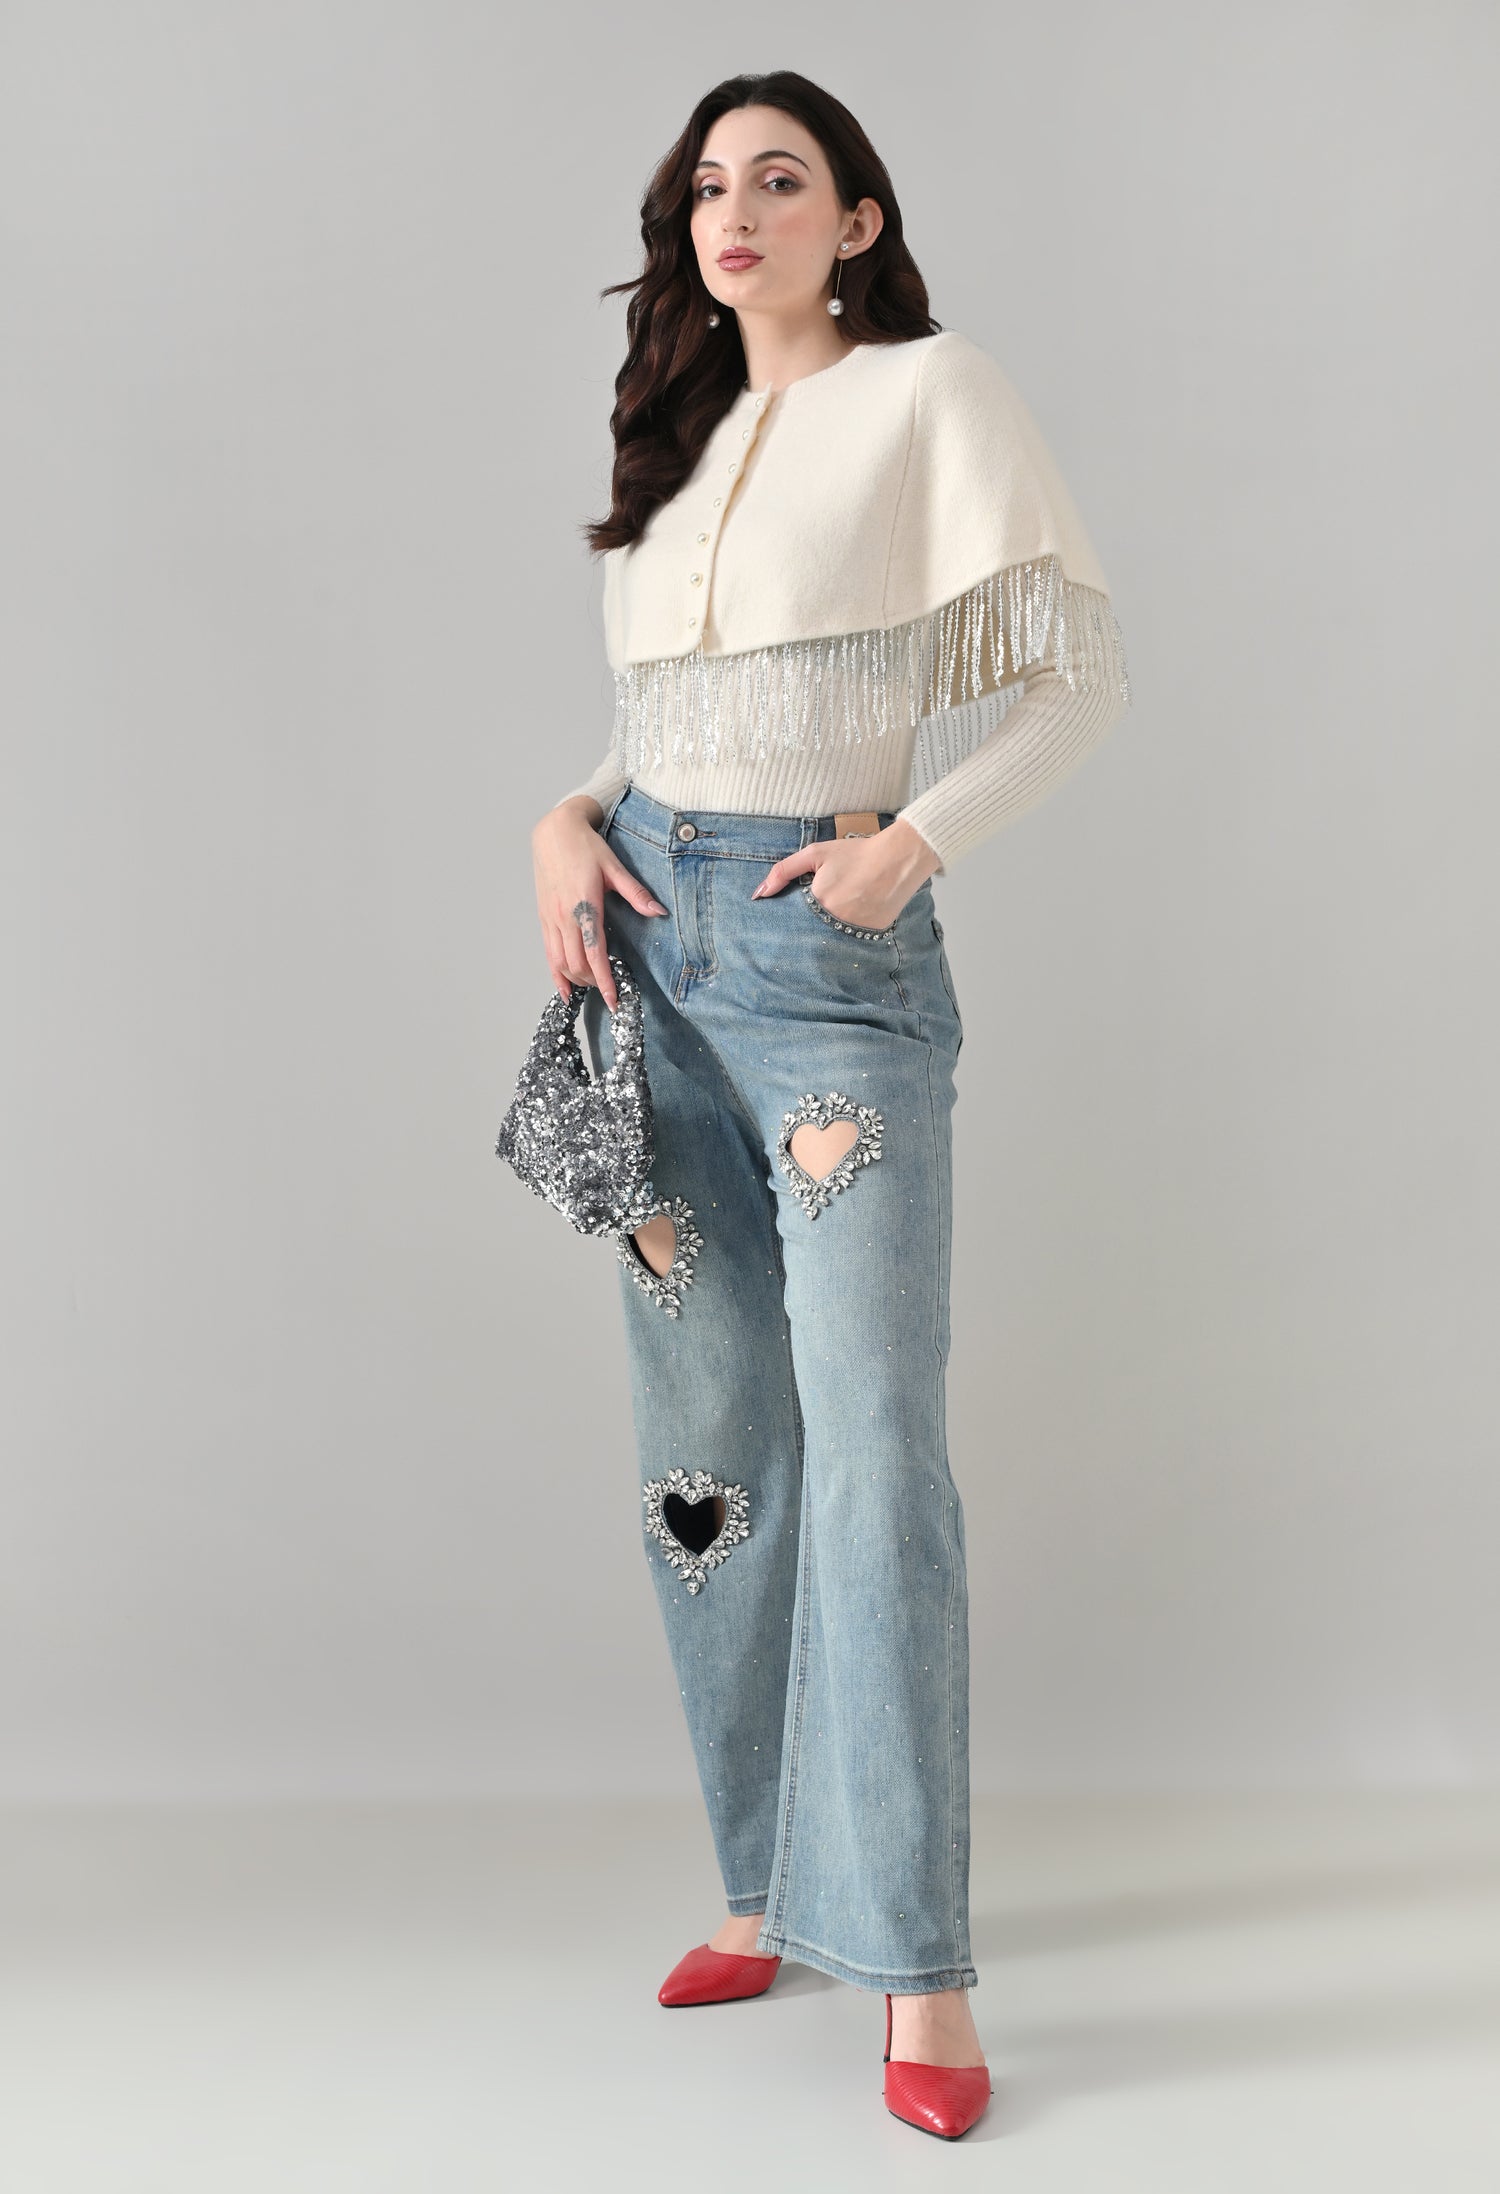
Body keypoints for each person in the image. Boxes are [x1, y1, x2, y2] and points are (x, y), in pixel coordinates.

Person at [529, 70, 1131, 2141]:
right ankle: (767, 1881)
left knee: (873, 1450)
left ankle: (921, 1965)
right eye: (710, 183)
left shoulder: (929, 392)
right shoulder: (679, 430)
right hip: (645, 943)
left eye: (782, 180)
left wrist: (915, 843)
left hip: (821, 960)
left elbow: (1077, 679)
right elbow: (655, 721)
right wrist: (562, 815)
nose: (738, 211)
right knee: (706, 1445)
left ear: (858, 218)